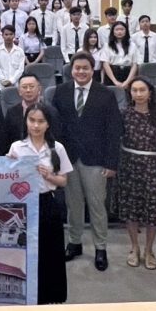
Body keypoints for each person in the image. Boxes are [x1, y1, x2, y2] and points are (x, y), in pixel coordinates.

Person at [52, 51, 123, 271]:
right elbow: (55, 128)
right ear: (71, 70)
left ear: (93, 70)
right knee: (73, 205)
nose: (81, 71)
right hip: (69, 159)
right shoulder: (61, 91)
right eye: (77, 68)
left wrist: (111, 163)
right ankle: (74, 243)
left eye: (85, 68)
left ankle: (100, 248)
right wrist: (57, 161)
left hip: (96, 160)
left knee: (97, 205)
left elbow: (114, 130)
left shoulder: (106, 94)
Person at [7, 102, 71, 304]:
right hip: (24, 206)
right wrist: (8, 166)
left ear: (48, 124)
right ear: (25, 121)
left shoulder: (57, 148)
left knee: (50, 251)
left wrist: (49, 176)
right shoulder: (17, 147)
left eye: (41, 121)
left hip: (47, 203)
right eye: (32, 120)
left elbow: (63, 181)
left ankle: (51, 296)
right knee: (26, 251)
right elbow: (9, 180)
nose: (35, 125)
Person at [117, 77, 156, 270]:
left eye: (142, 90)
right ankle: (134, 247)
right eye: (134, 90)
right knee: (130, 210)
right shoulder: (123, 114)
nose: (138, 94)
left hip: (152, 167)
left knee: (152, 211)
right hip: (128, 166)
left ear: (150, 93)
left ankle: (149, 250)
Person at [99, 21, 137, 88]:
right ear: (113, 31)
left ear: (126, 31)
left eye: (122, 29)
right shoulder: (107, 46)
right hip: (111, 75)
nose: (119, 32)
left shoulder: (132, 45)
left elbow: (135, 64)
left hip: (127, 75)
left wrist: (127, 81)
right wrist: (115, 81)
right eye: (117, 29)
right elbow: (105, 64)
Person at [0, 25, 25, 95]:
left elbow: (20, 69)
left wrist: (11, 81)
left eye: (11, 34)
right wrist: (4, 81)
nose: (8, 37)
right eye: (6, 34)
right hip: (0, 86)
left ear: (14, 35)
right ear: (2, 35)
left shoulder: (20, 51)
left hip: (16, 86)